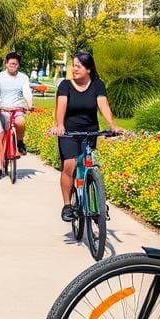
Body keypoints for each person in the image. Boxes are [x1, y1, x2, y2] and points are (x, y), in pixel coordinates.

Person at [48, 51, 120, 221]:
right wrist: (60, 125)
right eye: (73, 65)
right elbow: (61, 106)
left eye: (78, 66)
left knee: (91, 164)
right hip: (69, 133)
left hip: (90, 132)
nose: (74, 69)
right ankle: (67, 205)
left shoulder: (97, 85)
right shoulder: (65, 85)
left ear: (88, 69)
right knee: (69, 165)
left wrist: (112, 126)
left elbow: (103, 105)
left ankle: (96, 203)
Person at [0, 51, 33, 179]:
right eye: (10, 64)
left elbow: (27, 92)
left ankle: (20, 141)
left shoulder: (23, 78)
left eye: (15, 64)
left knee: (21, 122)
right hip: (2, 109)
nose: (12, 66)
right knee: (1, 137)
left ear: (18, 65)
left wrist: (30, 104)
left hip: (17, 108)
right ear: (6, 64)